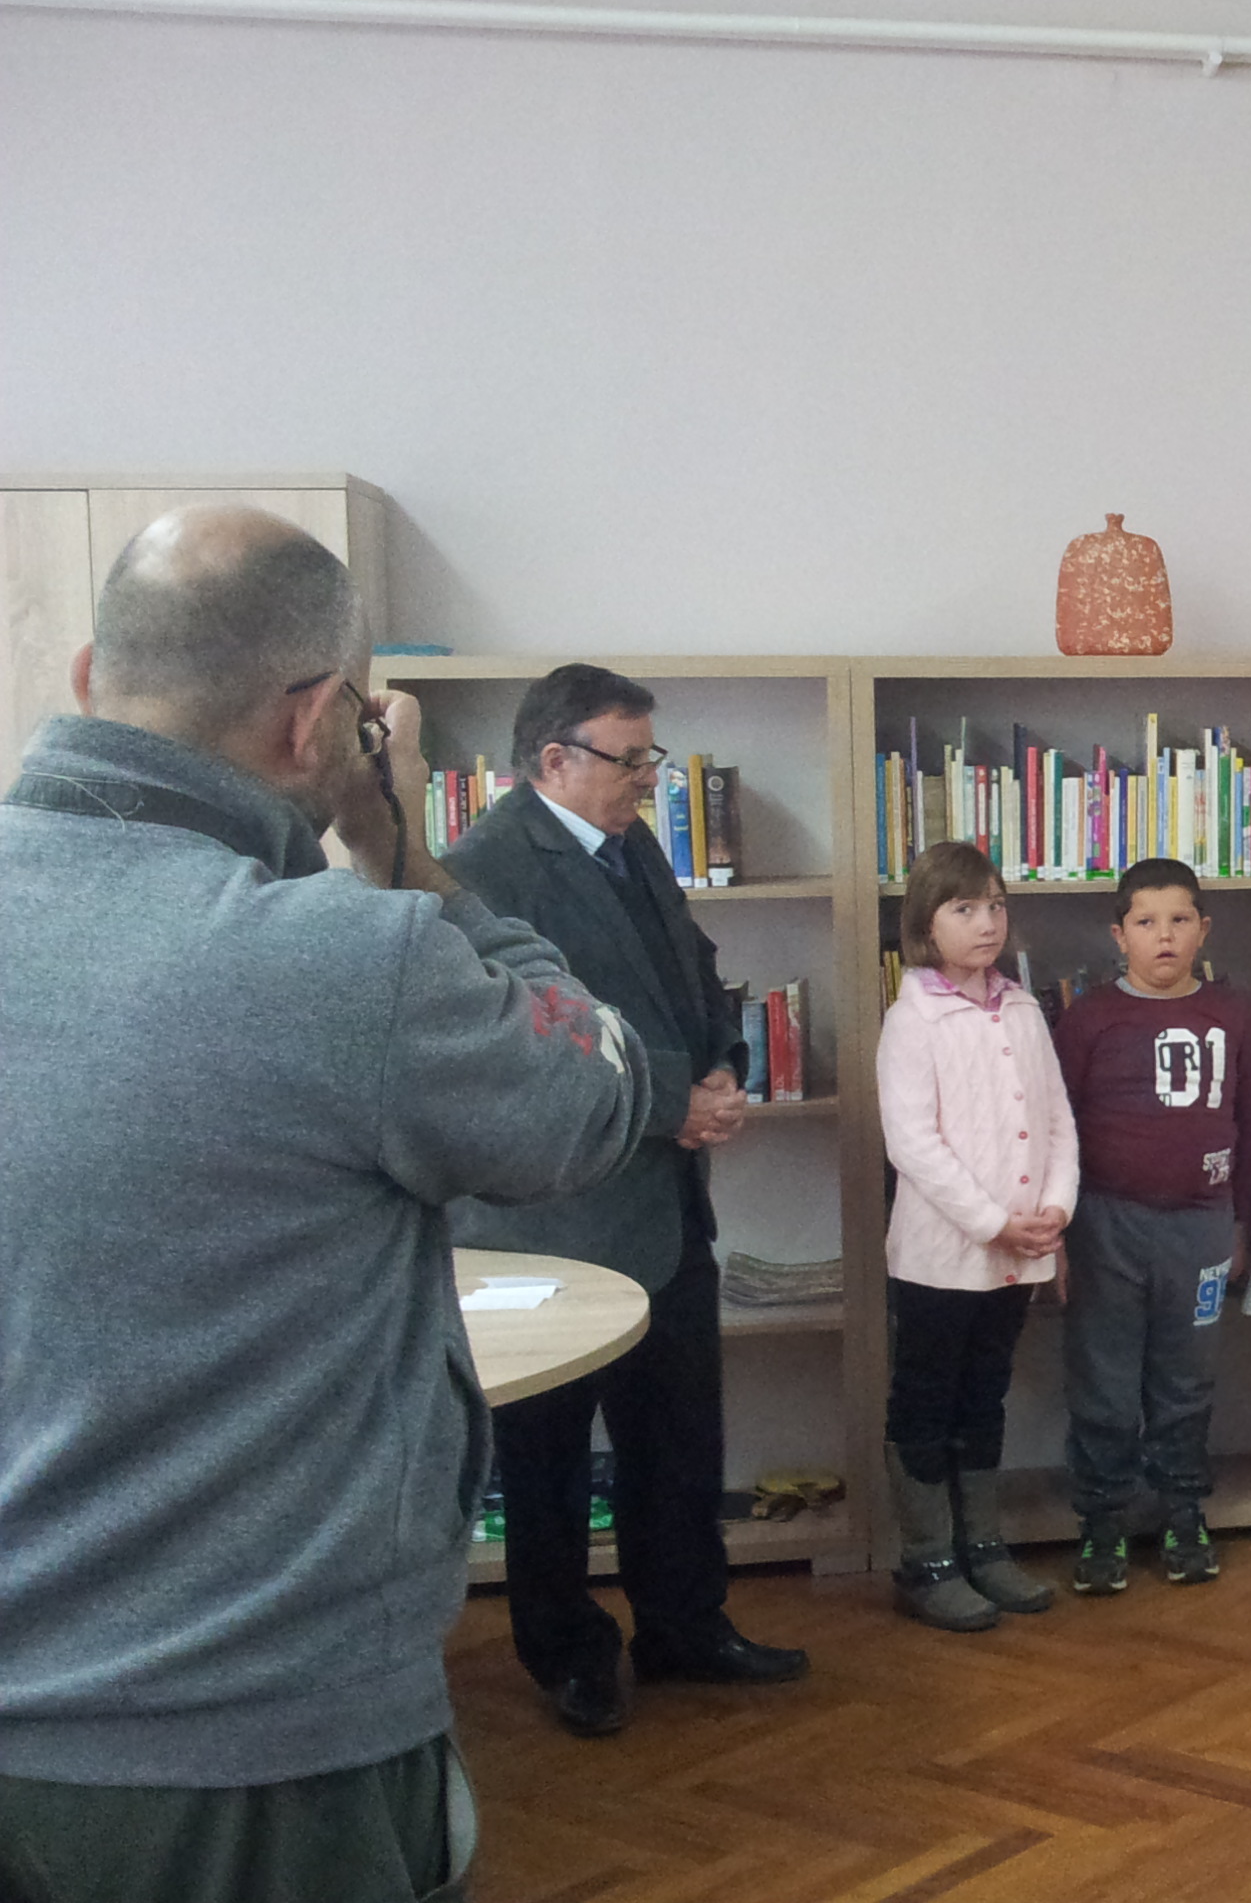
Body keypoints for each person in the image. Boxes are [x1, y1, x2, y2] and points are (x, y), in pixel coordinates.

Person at [0, 506, 648, 1900]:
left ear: (88, 677)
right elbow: (594, 1090)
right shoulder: (344, 960)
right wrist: (396, 843)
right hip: (246, 1743)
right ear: (318, 723)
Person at [444, 663, 809, 1735]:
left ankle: (686, 1626)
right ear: (554, 759)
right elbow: (519, 1038)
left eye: (652, 755)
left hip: (664, 1211)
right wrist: (669, 1104)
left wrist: (725, 1064)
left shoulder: (628, 840)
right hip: (551, 1226)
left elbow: (689, 970)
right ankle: (569, 1655)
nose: (651, 777)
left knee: (678, 1438)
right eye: (631, 757)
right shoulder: (479, 869)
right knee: (548, 1461)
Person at [1049, 856, 1251, 1592]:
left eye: (1179, 920)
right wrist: (1062, 1239)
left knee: (1188, 1379)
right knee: (1105, 1382)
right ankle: (1102, 1520)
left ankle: (1183, 1511)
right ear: (1119, 935)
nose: (1165, 936)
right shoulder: (1088, 1019)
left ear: (1204, 928)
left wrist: (1243, 1224)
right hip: (1105, 1227)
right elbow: (1057, 1128)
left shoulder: (1236, 1014)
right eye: (1146, 922)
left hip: (1202, 1226)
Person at [874, 842, 1073, 1633]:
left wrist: (1054, 1207)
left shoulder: (1021, 1008)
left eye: (995, 905)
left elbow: (1056, 1119)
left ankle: (983, 1547)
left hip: (1020, 1252)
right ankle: (927, 1560)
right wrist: (994, 1223)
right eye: (965, 909)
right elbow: (912, 1144)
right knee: (927, 1398)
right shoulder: (911, 1018)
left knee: (984, 1394)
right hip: (941, 1255)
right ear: (927, 924)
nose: (987, 922)